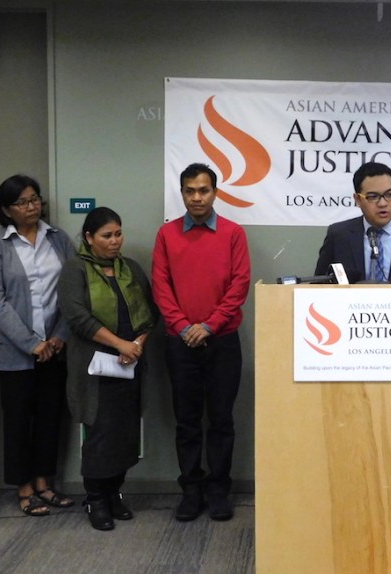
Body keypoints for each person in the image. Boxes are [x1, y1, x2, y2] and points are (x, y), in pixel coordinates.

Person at [152, 163, 251, 522]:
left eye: (204, 190)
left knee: (222, 420)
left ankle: (219, 490)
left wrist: (208, 326)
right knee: (187, 421)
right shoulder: (167, 235)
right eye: (190, 191)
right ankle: (191, 490)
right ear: (182, 194)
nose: (197, 197)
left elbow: (239, 285)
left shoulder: (233, 233)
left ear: (215, 192)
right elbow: (161, 286)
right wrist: (183, 327)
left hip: (222, 341)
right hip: (180, 345)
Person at [0, 175, 76, 517]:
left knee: (50, 418)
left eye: (35, 199)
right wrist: (32, 344)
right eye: (22, 202)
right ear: (6, 210)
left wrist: (59, 337)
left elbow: (72, 292)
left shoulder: (58, 239)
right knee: (19, 420)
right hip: (14, 353)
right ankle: (23, 489)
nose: (31, 206)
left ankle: (44, 483)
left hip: (56, 348)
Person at [58, 207, 157, 531]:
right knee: (101, 435)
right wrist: (119, 344)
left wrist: (137, 344)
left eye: (118, 234)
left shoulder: (130, 268)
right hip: (95, 369)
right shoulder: (75, 269)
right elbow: (77, 317)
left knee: (125, 435)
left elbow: (150, 312)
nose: (115, 241)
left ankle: (114, 494)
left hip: (130, 365)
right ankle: (96, 499)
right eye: (106, 236)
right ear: (89, 238)